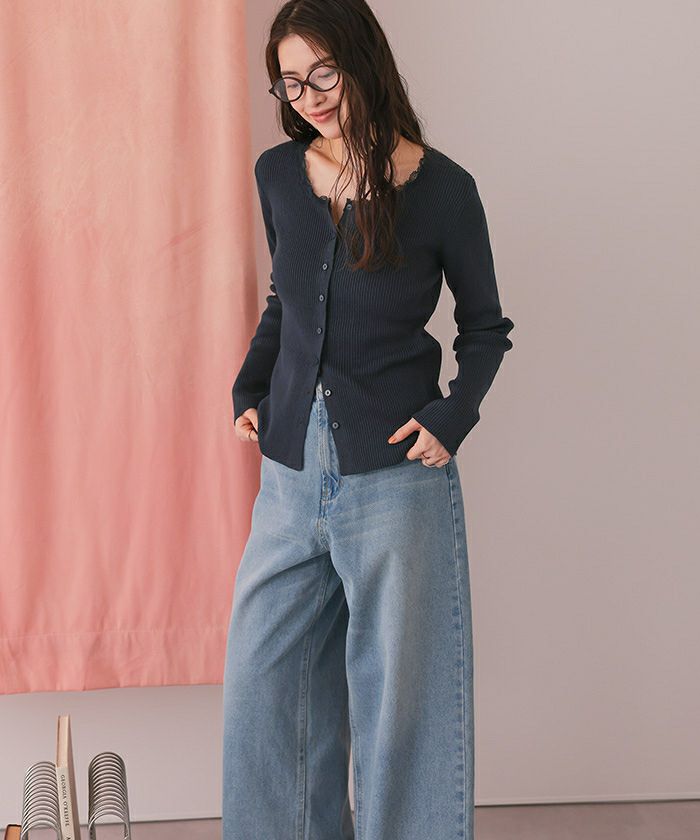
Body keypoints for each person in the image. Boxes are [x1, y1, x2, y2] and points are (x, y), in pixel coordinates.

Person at [222, 1, 515, 838]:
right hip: (289, 471)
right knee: (267, 689)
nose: (308, 95)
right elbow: (286, 300)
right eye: (290, 80)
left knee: (401, 701)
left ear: (362, 61)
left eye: (323, 72)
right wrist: (250, 388)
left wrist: (453, 416)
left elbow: (485, 327)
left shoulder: (443, 189)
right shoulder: (279, 174)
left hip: (396, 473)